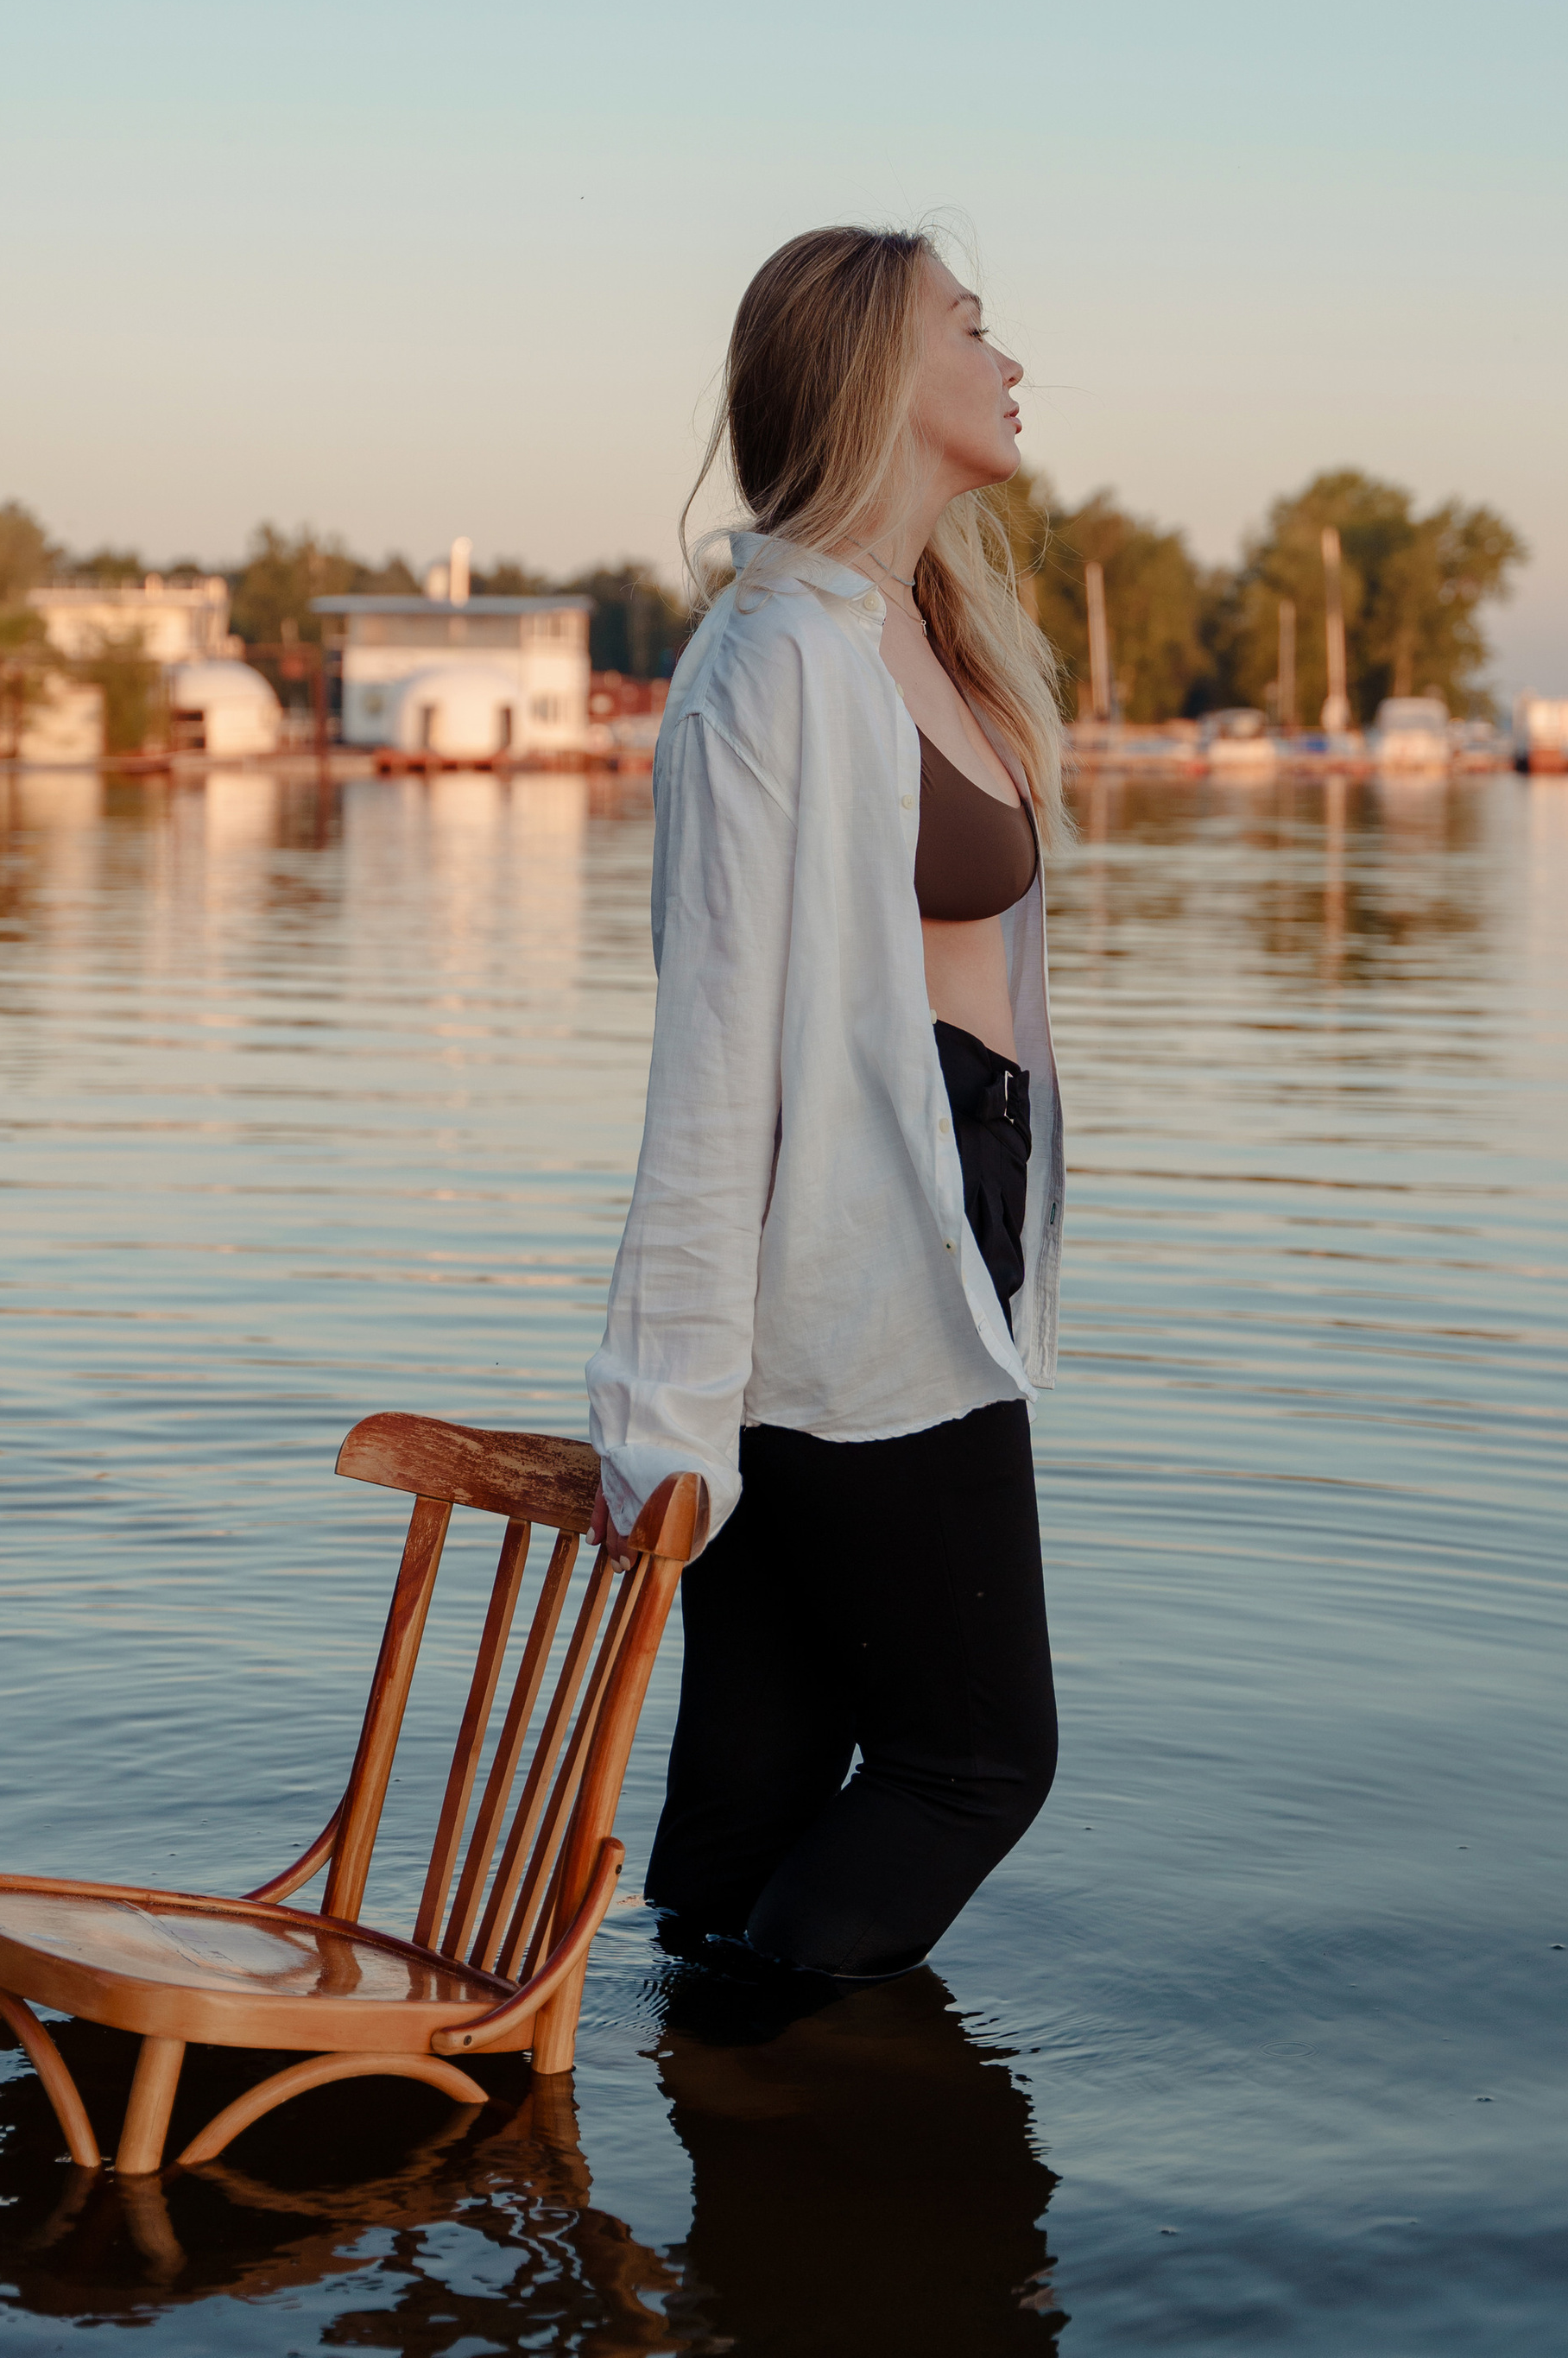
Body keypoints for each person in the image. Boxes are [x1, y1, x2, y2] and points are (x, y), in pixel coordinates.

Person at [586, 224, 1065, 1982]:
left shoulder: (914, 629)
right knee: (971, 1761)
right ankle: (764, 2095)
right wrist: (668, 1405)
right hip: (853, 1254)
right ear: (879, 371)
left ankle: (658, 2172)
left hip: (939, 1197)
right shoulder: (770, 663)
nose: (1008, 362)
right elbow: (715, 1049)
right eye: (972, 326)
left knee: (763, 1778)